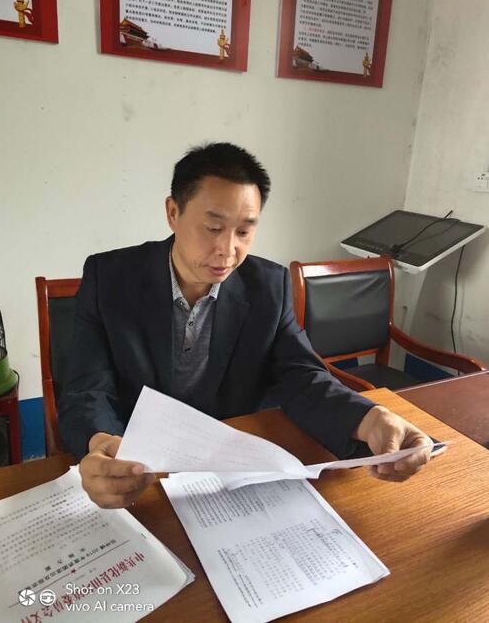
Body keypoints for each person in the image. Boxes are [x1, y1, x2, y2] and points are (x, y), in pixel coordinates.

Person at [58, 142, 433, 509]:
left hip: (228, 467)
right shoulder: (110, 278)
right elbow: (87, 387)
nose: (227, 250)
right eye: (213, 228)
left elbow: (301, 377)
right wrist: (100, 442)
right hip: (138, 466)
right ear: (173, 212)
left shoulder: (268, 286)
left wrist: (369, 419)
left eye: (243, 232)